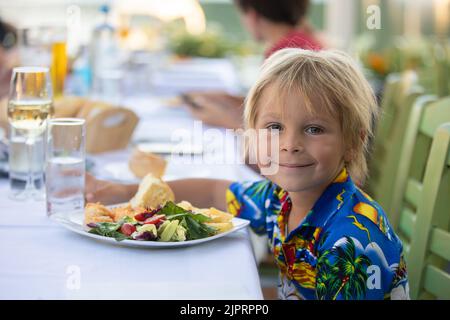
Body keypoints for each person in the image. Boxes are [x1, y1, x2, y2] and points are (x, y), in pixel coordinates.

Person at [86, 49, 409, 300]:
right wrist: (119, 191)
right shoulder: (280, 200)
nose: (290, 145)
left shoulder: (350, 242)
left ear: (353, 142)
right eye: (274, 127)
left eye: (314, 129)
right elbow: (216, 192)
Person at [184, 0, 323, 130]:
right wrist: (228, 99)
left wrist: (224, 120)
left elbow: (280, 129)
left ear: (252, 15)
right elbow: (273, 107)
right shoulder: (299, 42)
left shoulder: (286, 55)